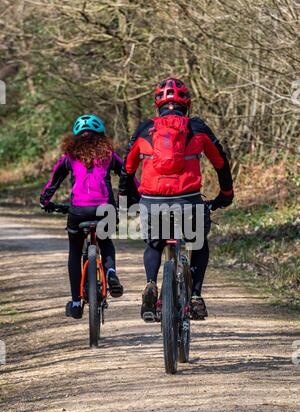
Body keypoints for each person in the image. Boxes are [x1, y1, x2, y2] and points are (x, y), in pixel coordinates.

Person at [119, 78, 234, 322]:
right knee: (199, 243)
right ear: (187, 103)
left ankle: (151, 284)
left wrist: (128, 199)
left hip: (152, 201)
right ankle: (196, 297)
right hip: (189, 201)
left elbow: (127, 170)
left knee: (154, 244)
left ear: (157, 104)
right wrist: (226, 194)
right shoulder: (198, 128)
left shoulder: (144, 129)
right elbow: (221, 163)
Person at [40, 114, 124, 319]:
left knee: (75, 251)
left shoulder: (69, 156)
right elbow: (127, 174)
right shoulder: (109, 154)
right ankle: (111, 272)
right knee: (105, 241)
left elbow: (54, 180)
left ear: (76, 137)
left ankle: (76, 302)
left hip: (78, 211)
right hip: (105, 208)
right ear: (101, 136)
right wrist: (136, 196)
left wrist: (45, 201)